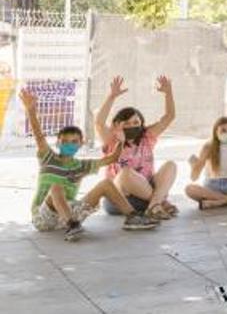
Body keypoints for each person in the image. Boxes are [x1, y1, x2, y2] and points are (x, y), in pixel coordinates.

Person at [24, 89, 158, 240]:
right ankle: (72, 226)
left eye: (74, 141)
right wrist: (31, 110)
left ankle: (133, 217)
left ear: (80, 144)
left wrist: (121, 142)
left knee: (106, 183)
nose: (69, 144)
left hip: (71, 213)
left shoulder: (81, 166)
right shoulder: (48, 158)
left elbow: (112, 158)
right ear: (57, 142)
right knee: (56, 187)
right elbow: (38, 135)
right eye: (65, 141)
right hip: (44, 218)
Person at [95, 75, 179, 221]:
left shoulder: (147, 136)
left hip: (146, 194)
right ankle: (159, 203)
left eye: (135, 122)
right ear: (116, 125)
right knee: (126, 173)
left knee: (170, 165)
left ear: (141, 123)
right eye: (126, 123)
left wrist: (168, 93)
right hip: (120, 199)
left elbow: (169, 116)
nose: (131, 126)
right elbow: (99, 123)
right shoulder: (112, 139)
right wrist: (112, 96)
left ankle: (154, 205)